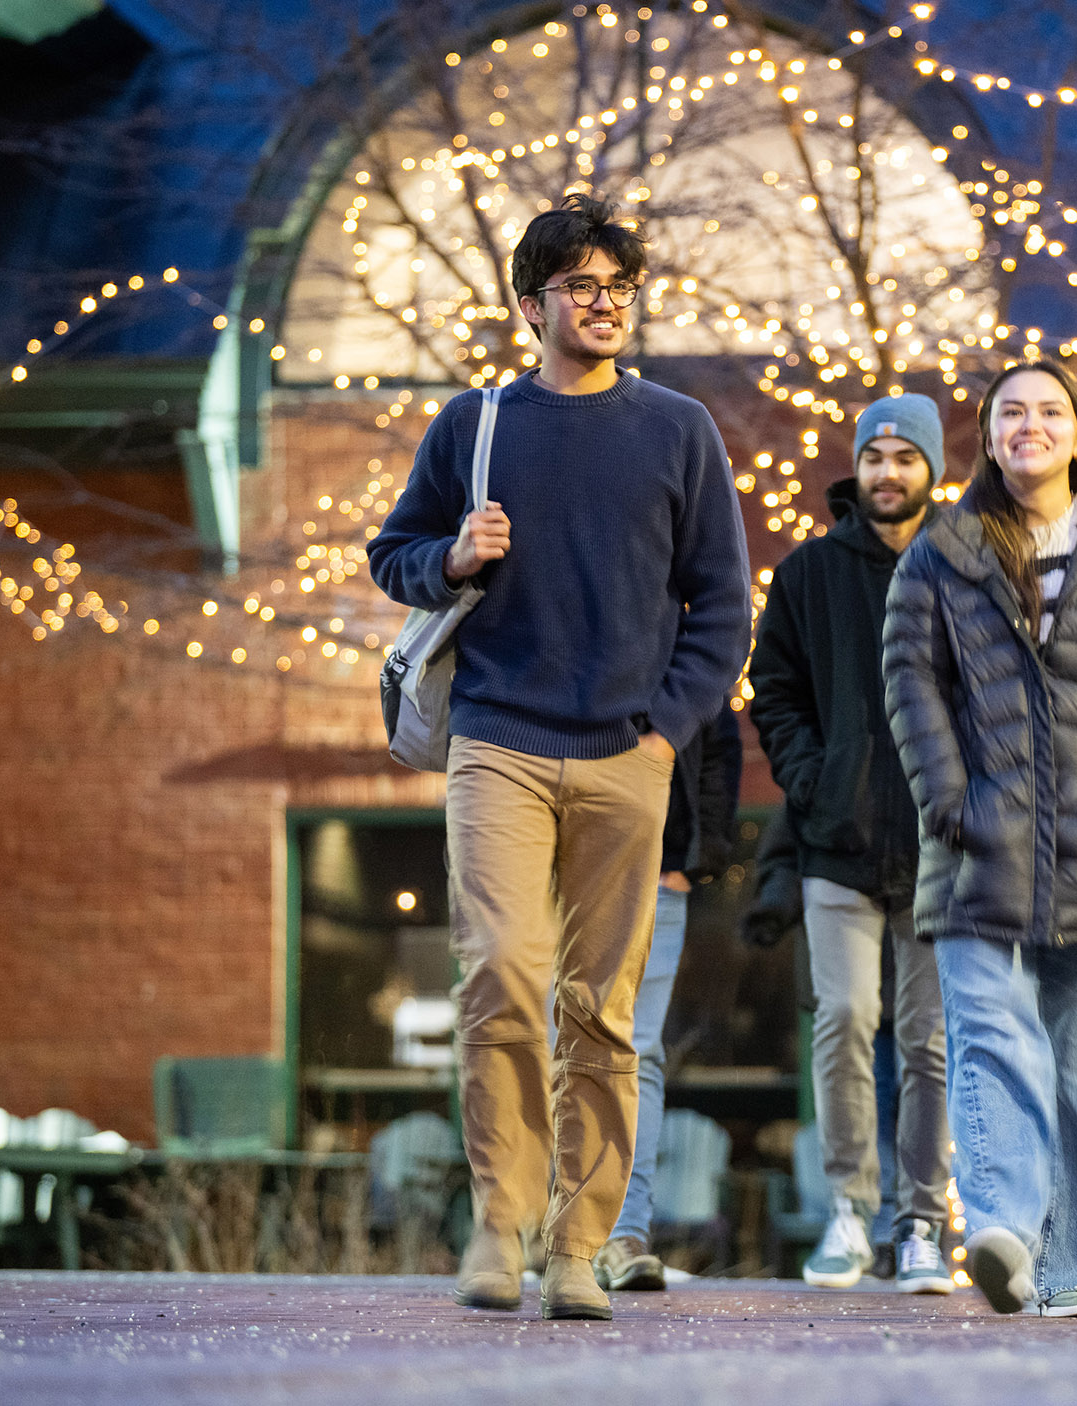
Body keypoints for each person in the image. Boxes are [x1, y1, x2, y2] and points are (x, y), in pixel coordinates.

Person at [366, 194, 751, 1321]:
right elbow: (391, 554)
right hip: (497, 740)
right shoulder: (474, 425)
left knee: (604, 1008)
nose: (605, 303)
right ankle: (500, 1224)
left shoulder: (678, 428)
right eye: (582, 286)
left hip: (627, 753)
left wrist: (664, 723)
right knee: (499, 975)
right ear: (531, 303)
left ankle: (578, 1244)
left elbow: (720, 602)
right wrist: (451, 554)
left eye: (620, 287)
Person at [882, 361, 1077, 1318]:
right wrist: (951, 803)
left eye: (1048, 411)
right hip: (975, 849)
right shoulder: (941, 547)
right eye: (1011, 411)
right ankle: (1006, 1232)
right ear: (988, 434)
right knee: (987, 1038)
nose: (1030, 425)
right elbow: (911, 682)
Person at [746, 394, 955, 1294]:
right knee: (841, 1023)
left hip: (943, 848)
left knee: (929, 1043)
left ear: (932, 471)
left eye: (906, 457)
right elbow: (774, 690)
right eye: (875, 455)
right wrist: (814, 778)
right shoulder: (807, 576)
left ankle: (920, 1223)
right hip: (837, 844)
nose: (887, 472)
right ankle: (846, 1210)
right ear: (857, 468)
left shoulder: (967, 568)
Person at [592, 704, 741, 1292]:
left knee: (638, 1051)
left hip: (658, 863)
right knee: (563, 1044)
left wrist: (690, 853)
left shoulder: (687, 620)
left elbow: (721, 734)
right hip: (563, 855)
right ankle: (568, 1233)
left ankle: (624, 1233)